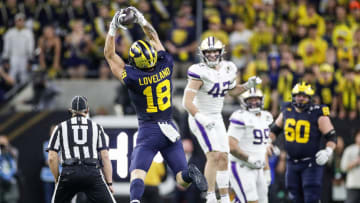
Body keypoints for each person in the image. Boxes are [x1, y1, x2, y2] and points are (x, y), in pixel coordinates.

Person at [104, 7, 208, 203]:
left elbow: (110, 56)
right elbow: (154, 38)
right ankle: (189, 174)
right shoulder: (166, 64)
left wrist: (113, 27)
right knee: (181, 179)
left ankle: (134, 201)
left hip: (149, 130)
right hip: (169, 126)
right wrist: (142, 20)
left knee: (137, 172)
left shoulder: (134, 77)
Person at [182, 35, 261, 203]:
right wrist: (202, 118)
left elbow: (231, 91)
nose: (211, 55)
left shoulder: (228, 68)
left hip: (216, 116)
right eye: (208, 52)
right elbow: (186, 102)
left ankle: (224, 196)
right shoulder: (198, 71)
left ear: (221, 52)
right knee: (214, 155)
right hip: (199, 116)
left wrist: (247, 86)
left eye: (214, 52)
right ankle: (210, 196)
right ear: (203, 54)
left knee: (224, 157)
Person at [269, 81, 337, 203]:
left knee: (311, 196)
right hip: (291, 162)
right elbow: (274, 131)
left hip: (310, 163)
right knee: (294, 196)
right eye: (298, 95)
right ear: (293, 96)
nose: (300, 99)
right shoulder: (286, 110)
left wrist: (328, 151)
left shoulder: (318, 113)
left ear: (310, 98)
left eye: (304, 96)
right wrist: (268, 142)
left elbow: (332, 137)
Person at [47, 96, 116, 203]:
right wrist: (109, 183)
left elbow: (52, 157)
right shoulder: (96, 127)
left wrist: (57, 179)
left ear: (70, 110)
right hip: (92, 172)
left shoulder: (60, 127)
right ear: (87, 110)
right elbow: (105, 156)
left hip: (69, 172)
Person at [227, 88, 272, 203]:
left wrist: (266, 170)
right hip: (242, 166)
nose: (254, 102)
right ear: (243, 101)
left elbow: (263, 147)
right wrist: (249, 159)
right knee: (250, 201)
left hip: (258, 167)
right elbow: (230, 145)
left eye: (257, 99)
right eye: (250, 99)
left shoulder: (265, 116)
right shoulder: (240, 117)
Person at [340, 129, 360, 203]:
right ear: (356, 137)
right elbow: (343, 167)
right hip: (353, 184)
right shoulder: (349, 149)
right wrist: (355, 163)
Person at [0, 135, 19, 203]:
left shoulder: (13, 150)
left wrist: (7, 147)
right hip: (1, 182)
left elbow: (15, 156)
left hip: (11, 181)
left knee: (12, 200)